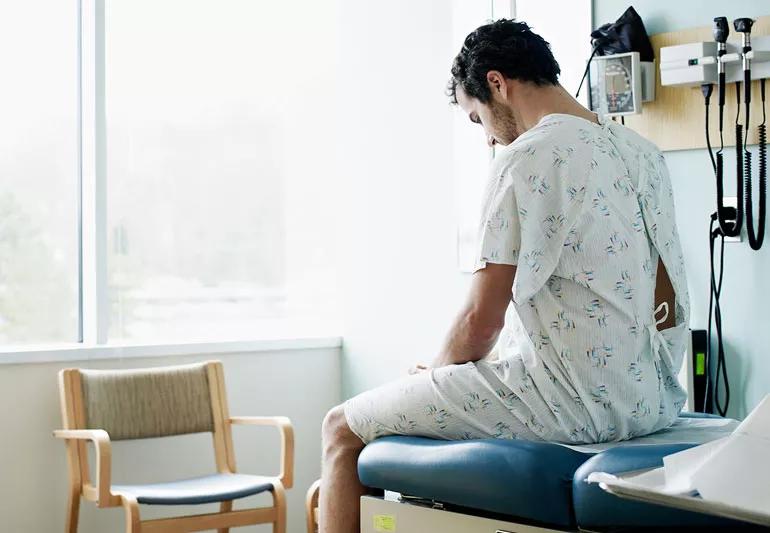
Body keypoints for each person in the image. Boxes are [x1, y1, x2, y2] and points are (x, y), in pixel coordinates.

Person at [319, 18, 689, 533]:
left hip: (570, 407)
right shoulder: (640, 154)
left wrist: (439, 374)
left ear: (497, 83)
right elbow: (664, 293)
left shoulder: (527, 157)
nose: (488, 139)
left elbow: (479, 322)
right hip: (651, 400)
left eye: (478, 120)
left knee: (340, 428)